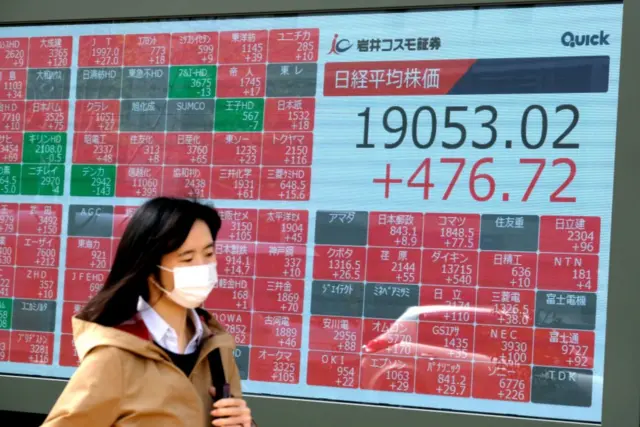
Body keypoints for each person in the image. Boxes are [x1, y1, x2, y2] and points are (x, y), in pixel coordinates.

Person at [42, 197, 253, 427]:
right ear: (150, 269)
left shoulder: (217, 350)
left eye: (209, 254)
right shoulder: (115, 357)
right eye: (188, 258)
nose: (202, 267)